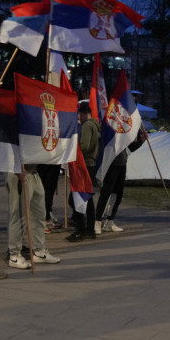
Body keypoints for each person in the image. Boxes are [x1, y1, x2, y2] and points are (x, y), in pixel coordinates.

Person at [6, 165, 60, 269]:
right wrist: (17, 169)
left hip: (33, 171)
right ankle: (14, 255)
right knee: (19, 215)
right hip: (18, 171)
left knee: (39, 213)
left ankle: (38, 251)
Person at [94, 128, 147, 233]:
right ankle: (97, 221)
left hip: (122, 163)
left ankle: (110, 221)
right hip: (110, 164)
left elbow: (130, 147)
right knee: (106, 193)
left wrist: (141, 140)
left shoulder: (123, 129)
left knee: (118, 194)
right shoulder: (108, 125)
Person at [67, 103, 100, 242]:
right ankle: (88, 228)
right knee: (86, 196)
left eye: (79, 114)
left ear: (82, 113)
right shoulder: (95, 125)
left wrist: (74, 148)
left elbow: (84, 146)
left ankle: (83, 228)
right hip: (90, 163)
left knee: (80, 197)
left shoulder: (87, 126)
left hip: (84, 163)